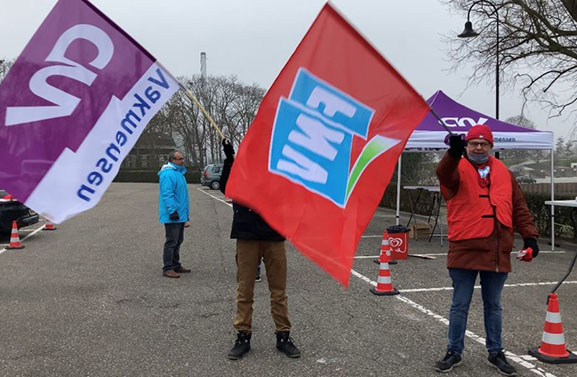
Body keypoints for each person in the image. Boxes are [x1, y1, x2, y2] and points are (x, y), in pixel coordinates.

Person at [434, 125, 539, 376]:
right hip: (465, 246)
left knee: (494, 305)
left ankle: (496, 352)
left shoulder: (504, 172)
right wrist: (452, 154)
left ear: (491, 146)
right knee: (460, 304)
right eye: (473, 144)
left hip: (496, 247)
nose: (478, 148)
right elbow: (444, 175)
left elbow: (519, 207)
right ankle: (454, 351)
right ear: (467, 146)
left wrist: (530, 237)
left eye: (483, 144)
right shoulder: (455, 167)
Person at [219, 139, 300, 360]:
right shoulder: (239, 169)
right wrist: (229, 160)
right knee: (245, 290)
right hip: (246, 236)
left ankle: (283, 335)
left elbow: (290, 194)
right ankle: (243, 336)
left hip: (273, 236)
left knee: (278, 291)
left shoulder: (277, 171)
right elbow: (226, 187)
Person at [158, 150, 191, 278]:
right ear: (173, 160)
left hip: (179, 214)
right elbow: (167, 194)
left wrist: (185, 215)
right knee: (171, 241)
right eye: (180, 159)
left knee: (178, 240)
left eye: (182, 158)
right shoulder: (168, 174)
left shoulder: (179, 173)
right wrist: (172, 211)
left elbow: (182, 196)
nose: (182, 161)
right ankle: (167, 268)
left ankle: (175, 264)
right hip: (173, 214)